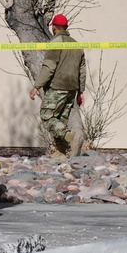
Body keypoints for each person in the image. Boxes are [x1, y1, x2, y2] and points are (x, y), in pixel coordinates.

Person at [29, 14, 86, 156]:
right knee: (60, 119)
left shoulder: (55, 43)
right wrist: (80, 92)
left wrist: (37, 86)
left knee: (47, 116)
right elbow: (82, 70)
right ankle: (62, 151)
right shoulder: (77, 45)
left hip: (58, 87)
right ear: (66, 27)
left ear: (54, 27)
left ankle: (70, 138)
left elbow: (49, 67)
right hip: (72, 89)